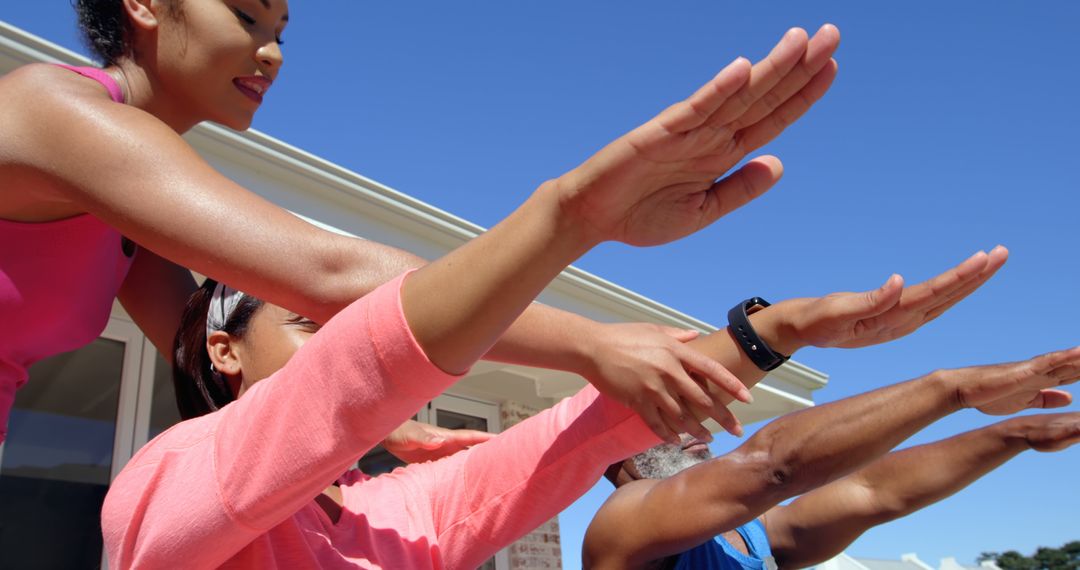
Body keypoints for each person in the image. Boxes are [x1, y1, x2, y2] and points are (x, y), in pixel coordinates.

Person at [0, 0, 839, 443]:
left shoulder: (126, 209)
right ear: (146, 4)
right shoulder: (55, 111)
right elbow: (325, 275)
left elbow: (214, 368)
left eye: (284, 29)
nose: (273, 50)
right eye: (248, 14)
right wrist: (589, 337)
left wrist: (386, 433)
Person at [103, 233, 1007, 568]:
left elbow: (570, 439)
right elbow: (352, 382)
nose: (343, 345)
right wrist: (571, 214)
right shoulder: (167, 478)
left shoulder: (386, 518)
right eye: (315, 324)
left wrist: (777, 330)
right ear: (223, 349)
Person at [583, 346, 1080, 569]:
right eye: (662, 424)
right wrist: (951, 391)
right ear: (613, 458)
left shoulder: (750, 536)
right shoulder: (623, 526)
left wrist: (1018, 434)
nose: (693, 431)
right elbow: (772, 467)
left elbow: (875, 492)